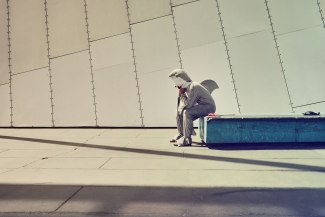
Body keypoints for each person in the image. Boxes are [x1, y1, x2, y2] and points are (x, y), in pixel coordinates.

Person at [169, 69, 216, 147]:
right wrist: (180, 96)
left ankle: (187, 139)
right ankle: (181, 134)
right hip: (201, 106)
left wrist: (182, 95)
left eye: (175, 79)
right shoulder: (187, 87)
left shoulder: (193, 86)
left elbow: (188, 105)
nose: (174, 82)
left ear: (181, 79)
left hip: (208, 107)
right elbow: (182, 106)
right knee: (179, 112)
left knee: (186, 112)